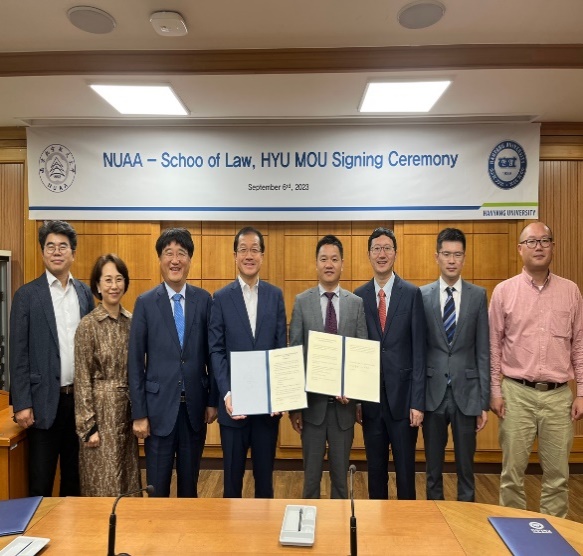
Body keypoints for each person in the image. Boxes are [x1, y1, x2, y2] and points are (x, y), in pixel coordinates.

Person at [489, 221, 583, 518]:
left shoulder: (570, 291)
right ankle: (513, 531)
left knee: (558, 477)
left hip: (558, 397)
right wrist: (494, 390)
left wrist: (581, 393)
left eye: (544, 241)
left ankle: (554, 535)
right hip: (516, 394)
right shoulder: (504, 292)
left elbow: (579, 345)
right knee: (512, 474)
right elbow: (493, 346)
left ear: (553, 246)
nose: (538, 246)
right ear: (520, 249)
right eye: (531, 242)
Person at [128, 228, 218, 498]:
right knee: (157, 489)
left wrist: (212, 400)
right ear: (160, 259)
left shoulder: (204, 300)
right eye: (169, 253)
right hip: (157, 412)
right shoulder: (145, 303)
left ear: (190, 260)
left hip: (194, 410)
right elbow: (135, 362)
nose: (175, 260)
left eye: (182, 253)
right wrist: (139, 414)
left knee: (190, 488)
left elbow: (212, 354)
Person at [9, 220, 94, 496]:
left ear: (73, 253)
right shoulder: (27, 296)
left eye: (63, 247)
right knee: (40, 482)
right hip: (42, 403)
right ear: (42, 252)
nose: (57, 252)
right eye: (50, 246)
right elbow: (18, 353)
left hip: (78, 403)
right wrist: (22, 403)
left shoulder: (84, 293)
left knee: (75, 481)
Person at [209, 226, 287, 498]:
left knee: (265, 484)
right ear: (235, 256)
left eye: (255, 250)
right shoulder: (220, 298)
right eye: (243, 250)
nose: (249, 255)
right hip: (234, 408)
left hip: (267, 411)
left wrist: (280, 393)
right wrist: (227, 393)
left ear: (262, 255)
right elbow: (216, 350)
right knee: (232, 485)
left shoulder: (275, 295)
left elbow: (280, 348)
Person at [289, 235, 367, 499]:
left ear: (342, 264)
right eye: (324, 259)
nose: (329, 264)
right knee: (310, 482)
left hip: (344, 411)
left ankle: (338, 526)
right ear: (316, 264)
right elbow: (295, 353)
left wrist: (356, 397)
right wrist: (295, 406)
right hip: (312, 409)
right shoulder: (302, 302)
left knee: (341, 483)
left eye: (334, 259)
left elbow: (361, 355)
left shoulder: (356, 304)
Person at [354, 227, 426, 500]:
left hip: (404, 402)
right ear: (369, 254)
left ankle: (406, 524)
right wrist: (358, 401)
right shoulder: (359, 296)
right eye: (376, 249)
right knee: (375, 473)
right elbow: (357, 351)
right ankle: (377, 523)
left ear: (395, 253)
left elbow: (419, 351)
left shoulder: (412, 293)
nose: (381, 254)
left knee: (406, 473)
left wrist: (418, 402)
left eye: (387, 248)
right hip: (371, 403)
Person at [420, 228, 490, 502]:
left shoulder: (477, 295)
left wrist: (484, 401)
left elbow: (483, 350)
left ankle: (466, 520)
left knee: (466, 469)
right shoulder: (422, 295)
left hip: (467, 394)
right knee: (432, 470)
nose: (451, 260)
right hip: (432, 393)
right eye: (446, 254)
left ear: (464, 257)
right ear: (436, 256)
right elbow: (418, 350)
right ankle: (434, 519)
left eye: (457, 254)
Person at [74, 254, 141, 497]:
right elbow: (82, 379)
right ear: (98, 285)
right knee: (102, 484)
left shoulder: (132, 322)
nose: (114, 286)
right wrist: (88, 426)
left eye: (119, 279)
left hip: (126, 414)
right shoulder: (88, 325)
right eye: (108, 280)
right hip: (99, 416)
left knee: (128, 480)